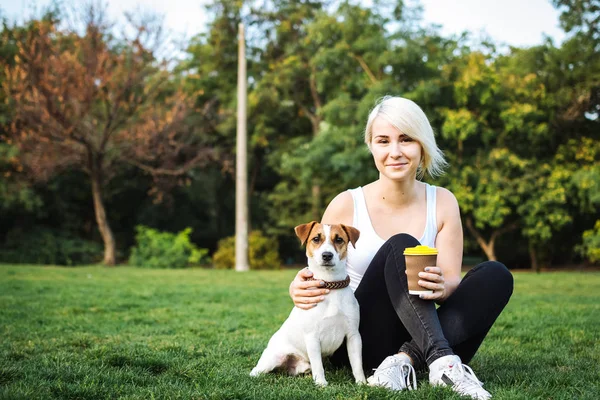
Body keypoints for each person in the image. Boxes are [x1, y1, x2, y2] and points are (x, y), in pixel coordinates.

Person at [288, 96, 513, 399]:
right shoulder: (346, 203)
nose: (395, 151)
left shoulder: (443, 201)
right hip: (363, 339)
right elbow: (318, 263)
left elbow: (451, 280)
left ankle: (404, 362)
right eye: (383, 141)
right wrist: (297, 286)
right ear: (372, 147)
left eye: (406, 139)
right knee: (402, 245)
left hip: (420, 330)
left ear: (422, 146)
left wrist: (441, 287)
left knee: (496, 275)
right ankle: (443, 361)